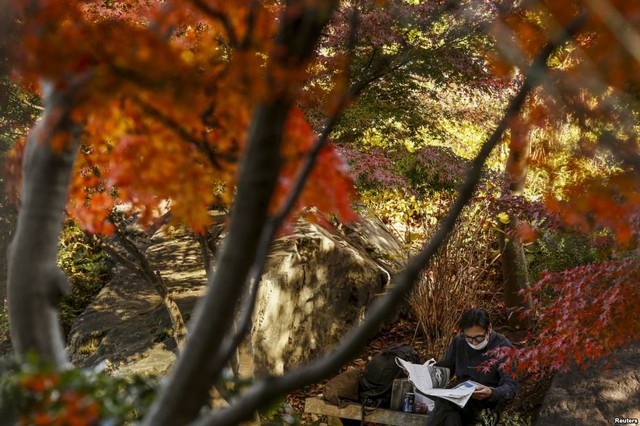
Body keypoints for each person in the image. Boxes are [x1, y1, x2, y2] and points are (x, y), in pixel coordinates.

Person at [426, 308, 518, 426]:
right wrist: (426, 374)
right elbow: (445, 368)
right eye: (469, 338)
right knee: (450, 414)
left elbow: (511, 387)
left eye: (478, 338)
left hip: (487, 401)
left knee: (445, 407)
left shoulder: (503, 348)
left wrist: (491, 392)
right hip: (459, 395)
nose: (474, 343)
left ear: (489, 329)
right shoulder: (459, 342)